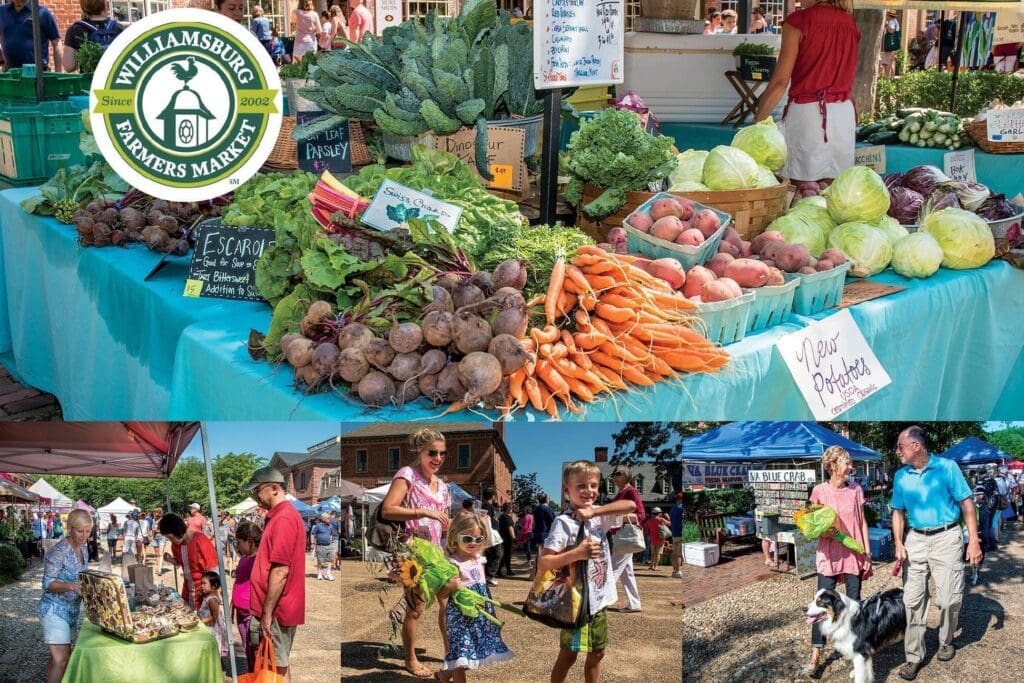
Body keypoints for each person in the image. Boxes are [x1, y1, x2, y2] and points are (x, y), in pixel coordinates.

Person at [891, 426, 982, 681]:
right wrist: (899, 542)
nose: (897, 451)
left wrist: (973, 540)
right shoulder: (901, 476)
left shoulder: (947, 467)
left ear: (916, 446)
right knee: (913, 600)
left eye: (900, 446)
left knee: (949, 598)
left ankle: (945, 640)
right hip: (916, 540)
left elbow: (966, 503)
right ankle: (913, 656)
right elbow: (897, 511)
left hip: (947, 537)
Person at [541, 461, 636, 683]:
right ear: (567, 490)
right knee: (569, 654)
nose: (589, 491)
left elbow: (631, 505)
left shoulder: (599, 517)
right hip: (577, 602)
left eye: (593, 485)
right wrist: (577, 553)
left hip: (600, 599)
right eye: (581, 485)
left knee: (598, 652)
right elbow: (545, 562)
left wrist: (594, 511)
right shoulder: (563, 523)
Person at [755, 0, 860, 185]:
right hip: (843, 115)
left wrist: (756, 124)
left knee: (799, 189)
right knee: (835, 192)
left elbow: (780, 82)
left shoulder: (799, 21)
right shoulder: (850, 23)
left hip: (809, 115)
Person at [381, 428, 452, 679]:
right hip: (412, 553)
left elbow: (442, 519)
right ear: (419, 451)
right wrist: (423, 512)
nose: (438, 458)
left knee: (449, 603)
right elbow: (389, 510)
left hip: (437, 553)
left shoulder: (442, 485)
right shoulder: (407, 475)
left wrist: (450, 527)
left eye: (442, 453)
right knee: (416, 609)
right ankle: (410, 658)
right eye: (432, 452)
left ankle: (450, 653)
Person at [800, 446, 872, 679]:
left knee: (855, 608)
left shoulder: (856, 490)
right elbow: (810, 526)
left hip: (853, 555)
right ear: (832, 466)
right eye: (847, 463)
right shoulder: (819, 491)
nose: (851, 467)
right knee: (820, 607)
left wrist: (867, 554)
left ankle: (857, 656)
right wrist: (823, 531)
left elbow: (862, 524)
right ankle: (814, 659)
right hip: (829, 555)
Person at [246, 467, 307, 683]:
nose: (255, 496)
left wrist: (267, 612)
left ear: (274, 488)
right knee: (278, 665)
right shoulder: (279, 516)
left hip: (277, 609)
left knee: (273, 667)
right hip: (276, 607)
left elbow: (281, 570)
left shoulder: (283, 518)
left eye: (257, 490)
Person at [438, 513, 514, 680]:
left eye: (478, 539)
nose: (473, 543)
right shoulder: (453, 563)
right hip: (460, 618)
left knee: (472, 654)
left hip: (478, 616)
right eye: (467, 539)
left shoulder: (478, 559)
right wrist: (449, 586)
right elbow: (441, 594)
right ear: (454, 537)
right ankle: (451, 674)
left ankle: (444, 674)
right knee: (461, 658)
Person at [37, 509, 92, 683]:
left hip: (71, 611)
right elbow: (47, 583)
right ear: (69, 528)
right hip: (54, 610)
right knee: (61, 660)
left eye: (88, 531)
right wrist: (71, 586)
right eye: (80, 530)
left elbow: (82, 573)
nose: (84, 535)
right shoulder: (59, 551)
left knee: (57, 658)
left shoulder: (83, 547)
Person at [159, 512, 218, 612]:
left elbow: (213, 570)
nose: (170, 541)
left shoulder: (201, 540)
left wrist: (209, 594)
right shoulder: (176, 545)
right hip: (187, 588)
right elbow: (179, 563)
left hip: (203, 589)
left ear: (178, 531)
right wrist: (170, 560)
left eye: (170, 537)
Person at [607, 465, 645, 613]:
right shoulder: (620, 494)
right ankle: (634, 603)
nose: (615, 477)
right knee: (627, 573)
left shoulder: (631, 491)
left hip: (625, 536)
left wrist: (619, 518)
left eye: (618, 474)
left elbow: (641, 515)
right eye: (613, 475)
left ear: (627, 475)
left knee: (612, 570)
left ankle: (600, 601)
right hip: (619, 536)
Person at [62, 0, 124, 73]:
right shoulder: (119, 28)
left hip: (89, 82)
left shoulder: (75, 30)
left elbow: (69, 66)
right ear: (104, 4)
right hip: (113, 81)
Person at [0, 0, 62, 71]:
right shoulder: (2, 12)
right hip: (10, 73)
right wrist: (2, 62)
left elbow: (56, 42)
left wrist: (58, 71)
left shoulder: (42, 13)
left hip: (38, 74)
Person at [233, 521, 261, 674]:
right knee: (247, 648)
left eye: (239, 542)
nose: (237, 545)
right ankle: (252, 674)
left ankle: (257, 676)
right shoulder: (245, 557)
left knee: (255, 649)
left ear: (249, 541)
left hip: (251, 614)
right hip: (241, 612)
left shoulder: (258, 560)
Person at [198, 571, 228, 660]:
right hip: (208, 626)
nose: (202, 585)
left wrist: (201, 621)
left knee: (213, 647)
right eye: (201, 583)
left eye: (204, 583)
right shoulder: (207, 596)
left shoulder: (212, 599)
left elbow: (214, 617)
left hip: (212, 629)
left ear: (214, 586)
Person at [531, 493, 555, 573]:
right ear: (546, 499)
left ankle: (537, 572)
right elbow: (554, 521)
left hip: (538, 534)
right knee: (545, 555)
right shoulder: (547, 509)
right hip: (545, 534)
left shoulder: (537, 509)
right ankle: (542, 573)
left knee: (539, 554)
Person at [311, 512, 337, 581]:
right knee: (320, 560)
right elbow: (313, 534)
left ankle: (328, 573)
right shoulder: (318, 526)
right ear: (323, 518)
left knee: (331, 559)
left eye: (329, 518)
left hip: (329, 545)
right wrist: (312, 543)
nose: (329, 519)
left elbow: (332, 534)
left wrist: (331, 539)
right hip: (320, 545)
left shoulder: (330, 526)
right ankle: (319, 573)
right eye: (328, 518)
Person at [879, 10, 900, 77]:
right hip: (894, 44)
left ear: (889, 15)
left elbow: (891, 30)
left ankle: (887, 78)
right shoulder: (895, 22)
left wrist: (886, 25)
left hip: (890, 44)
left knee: (886, 63)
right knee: (890, 63)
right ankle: (891, 78)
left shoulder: (891, 22)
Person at [669, 492, 685, 579]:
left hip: (674, 534)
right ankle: (678, 572)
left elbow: (671, 522)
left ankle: (675, 571)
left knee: (675, 554)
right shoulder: (681, 508)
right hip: (681, 533)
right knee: (679, 554)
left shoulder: (673, 509)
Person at [151, 508, 167, 575]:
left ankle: (160, 570)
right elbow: (152, 529)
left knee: (160, 554)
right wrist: (152, 536)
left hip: (162, 538)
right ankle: (158, 568)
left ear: (160, 512)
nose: (155, 513)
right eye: (154, 512)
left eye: (157, 512)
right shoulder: (153, 520)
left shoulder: (163, 520)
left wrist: (157, 531)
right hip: (155, 538)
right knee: (157, 554)